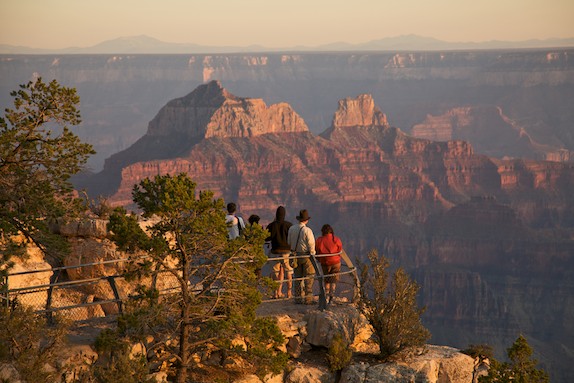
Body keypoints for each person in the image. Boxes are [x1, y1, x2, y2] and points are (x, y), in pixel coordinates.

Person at [288, 209, 316, 304]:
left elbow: (289, 242)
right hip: (306, 256)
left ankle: (298, 298)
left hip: (295, 256)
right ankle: (308, 299)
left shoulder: (291, 229)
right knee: (309, 277)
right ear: (306, 220)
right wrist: (312, 254)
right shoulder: (307, 230)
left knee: (298, 278)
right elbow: (311, 244)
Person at [265, 206, 293, 299]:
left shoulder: (271, 225)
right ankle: (289, 293)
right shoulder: (289, 225)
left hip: (275, 251)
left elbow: (267, 238)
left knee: (275, 273)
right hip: (286, 252)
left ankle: (275, 293)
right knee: (288, 271)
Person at [315, 224, 342, 303]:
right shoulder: (336, 239)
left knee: (327, 280)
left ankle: (326, 296)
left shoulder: (319, 240)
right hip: (336, 262)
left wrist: (319, 259)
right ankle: (332, 296)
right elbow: (340, 250)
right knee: (333, 280)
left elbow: (317, 251)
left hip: (325, 262)